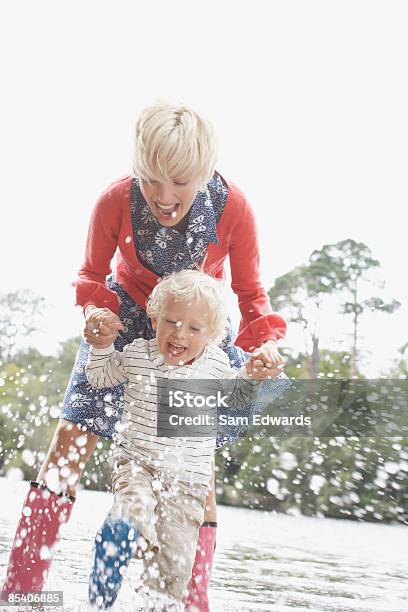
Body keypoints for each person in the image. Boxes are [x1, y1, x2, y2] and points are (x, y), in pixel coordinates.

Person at [1, 101, 286, 610]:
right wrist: (96, 314)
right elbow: (90, 275)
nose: (163, 195)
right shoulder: (115, 200)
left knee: (198, 464)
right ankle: (22, 589)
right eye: (151, 178)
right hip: (126, 316)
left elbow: (250, 294)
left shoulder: (234, 208)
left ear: (202, 172)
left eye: (178, 181)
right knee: (69, 444)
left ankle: (190, 597)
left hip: (196, 330)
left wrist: (262, 346)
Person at [85, 271, 288, 611]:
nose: (180, 333)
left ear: (212, 335)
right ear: (154, 318)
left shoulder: (215, 365)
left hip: (188, 482)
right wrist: (101, 345)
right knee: (133, 510)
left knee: (174, 565)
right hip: (137, 462)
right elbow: (100, 377)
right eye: (172, 322)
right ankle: (116, 544)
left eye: (194, 329)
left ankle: (158, 603)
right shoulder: (138, 353)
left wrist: (251, 377)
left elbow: (235, 399)